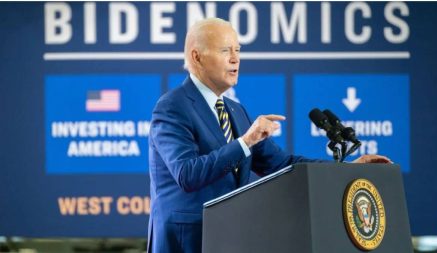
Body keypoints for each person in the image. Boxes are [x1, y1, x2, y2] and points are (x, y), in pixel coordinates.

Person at [147, 18, 391, 253]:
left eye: (238, 50)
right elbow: (187, 174)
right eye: (225, 51)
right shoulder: (172, 106)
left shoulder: (235, 110)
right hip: (186, 240)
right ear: (196, 56)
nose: (235, 59)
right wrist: (247, 141)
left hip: (231, 237)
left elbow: (282, 164)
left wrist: (345, 170)